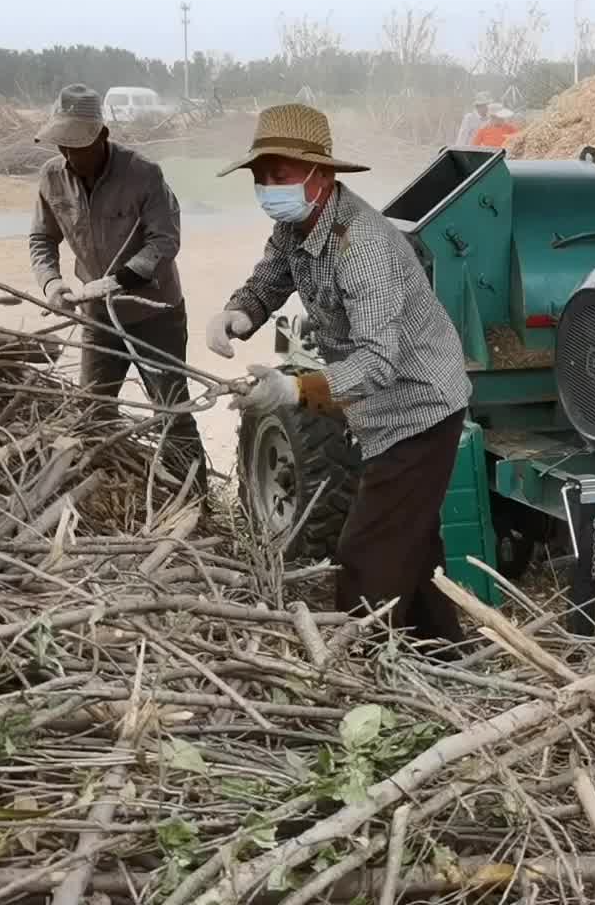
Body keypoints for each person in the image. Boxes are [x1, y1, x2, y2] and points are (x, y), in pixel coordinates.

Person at [206, 103, 472, 654]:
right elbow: (271, 278)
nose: (267, 188)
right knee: (412, 547)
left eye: (279, 174)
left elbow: (377, 362)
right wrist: (239, 313)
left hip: (419, 407)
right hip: (377, 406)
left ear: (321, 174)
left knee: (366, 553)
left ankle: (361, 664)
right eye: (260, 177)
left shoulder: (362, 246)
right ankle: (444, 654)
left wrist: (294, 390)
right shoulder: (294, 225)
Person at [27, 82, 207, 498]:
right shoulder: (52, 177)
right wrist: (51, 282)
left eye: (78, 145)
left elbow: (165, 240)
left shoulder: (143, 174)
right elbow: (41, 238)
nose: (69, 154)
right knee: (92, 411)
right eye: (62, 144)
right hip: (98, 316)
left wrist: (122, 278)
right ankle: (109, 498)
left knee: (171, 411)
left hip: (154, 313)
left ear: (102, 136)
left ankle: (196, 502)